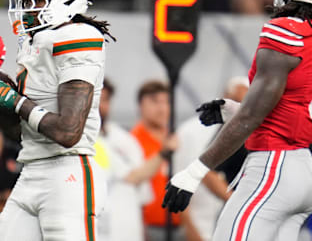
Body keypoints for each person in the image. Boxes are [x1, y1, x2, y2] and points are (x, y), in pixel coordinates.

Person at [163, 0, 312, 241]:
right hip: (304, 172)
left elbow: (253, 115)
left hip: (273, 169)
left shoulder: (287, 31)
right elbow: (298, 113)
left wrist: (195, 171)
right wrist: (232, 109)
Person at [0, 0, 114, 240]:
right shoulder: (34, 42)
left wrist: (14, 100)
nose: (26, 10)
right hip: (31, 171)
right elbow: (19, 131)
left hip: (68, 174)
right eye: (24, 1)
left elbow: (68, 131)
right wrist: (4, 98)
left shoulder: (77, 35)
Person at [96, 78, 177, 241]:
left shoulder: (124, 138)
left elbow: (142, 195)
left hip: (132, 229)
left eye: (105, 100)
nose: (100, 106)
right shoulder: (88, 142)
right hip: (105, 231)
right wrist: (164, 153)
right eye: (96, 99)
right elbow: (133, 176)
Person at [172, 76, 250, 241]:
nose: (238, 109)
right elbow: (182, 178)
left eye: (244, 104)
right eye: (235, 101)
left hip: (227, 222)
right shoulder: (190, 131)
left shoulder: (247, 132)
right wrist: (189, 226)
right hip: (197, 224)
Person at [129, 80, 184, 240]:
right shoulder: (132, 141)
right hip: (149, 226)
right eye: (154, 102)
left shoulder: (175, 138)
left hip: (179, 223)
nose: (162, 108)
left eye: (166, 102)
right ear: (141, 105)